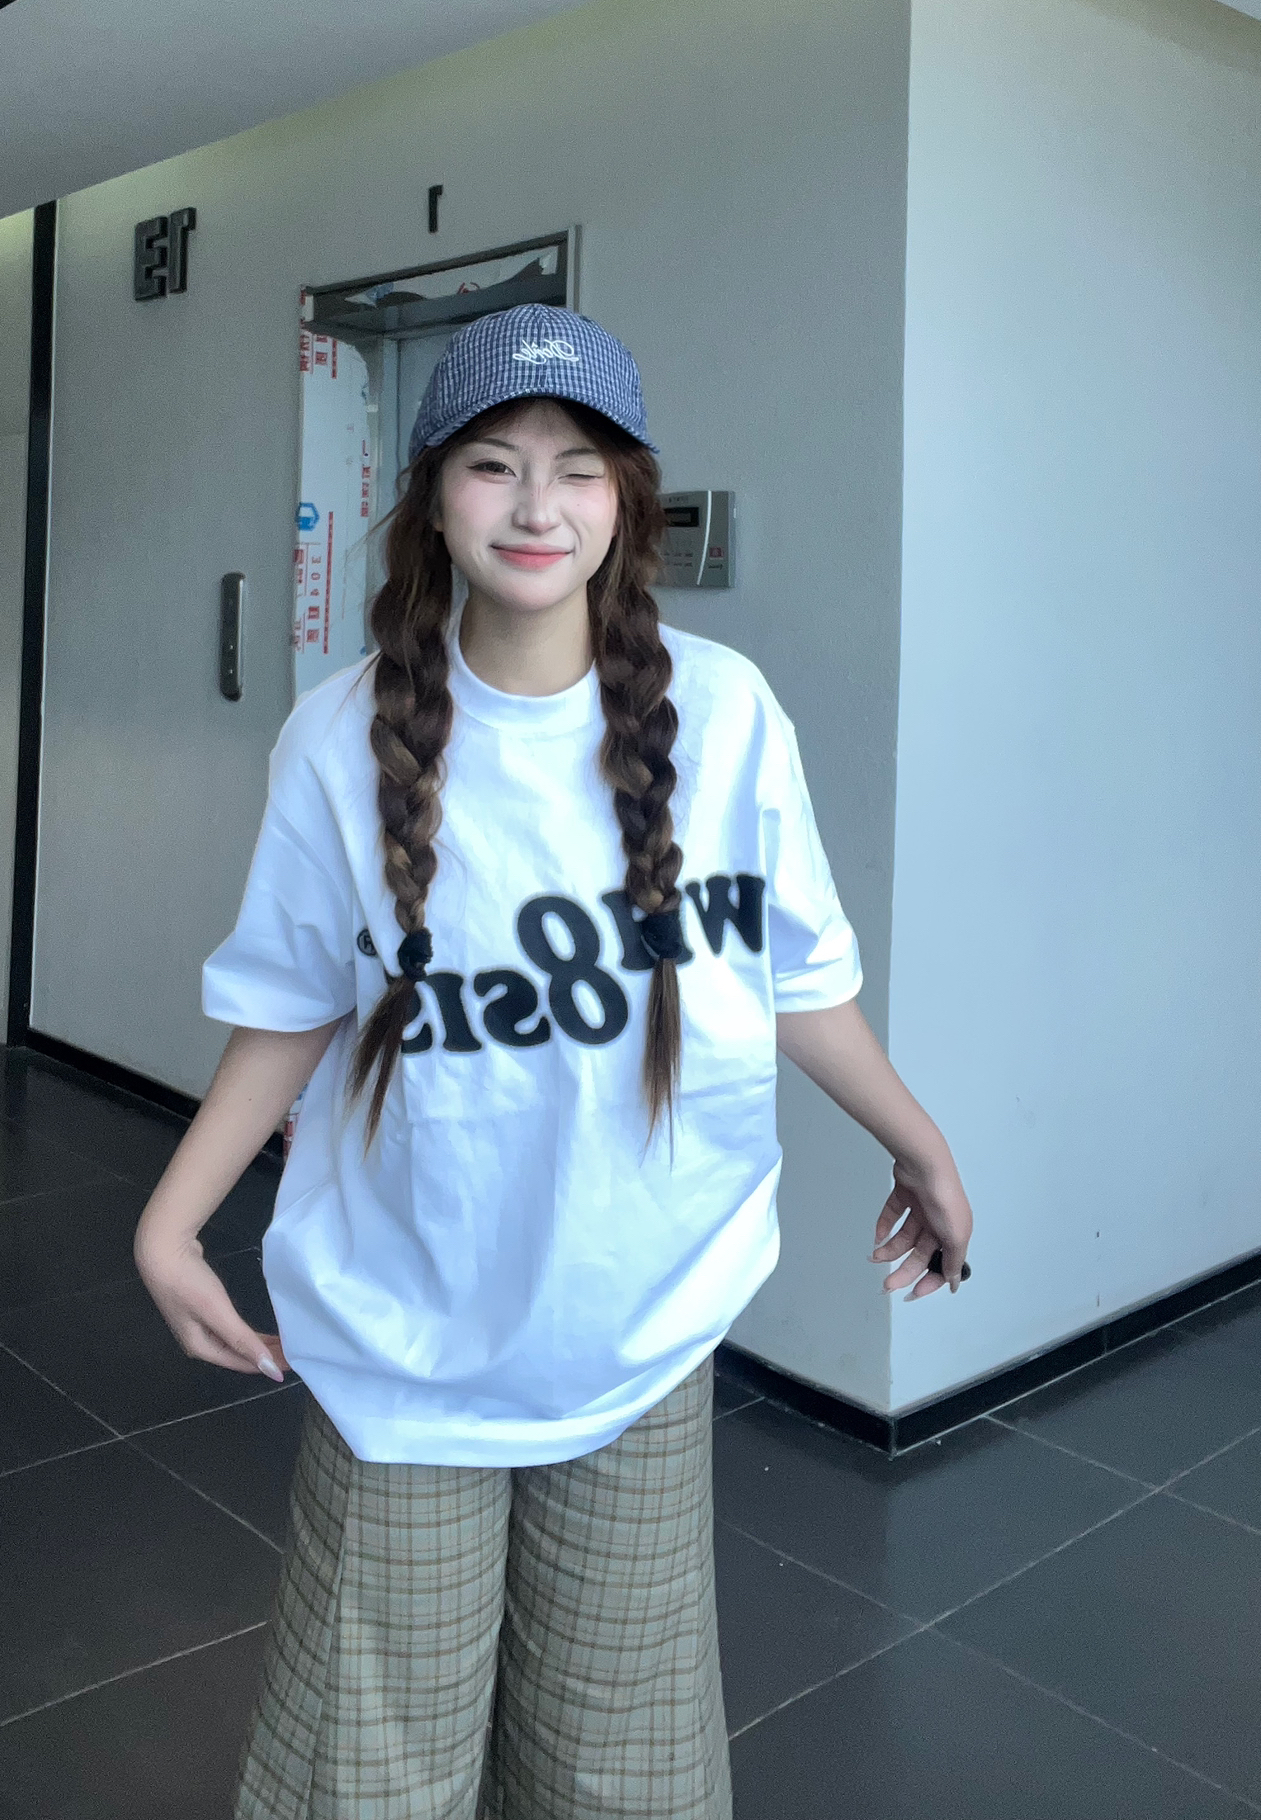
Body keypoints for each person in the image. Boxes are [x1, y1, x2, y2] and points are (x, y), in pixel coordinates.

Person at [135, 304, 972, 1820]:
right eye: (493, 465)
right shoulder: (337, 740)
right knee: (372, 1771)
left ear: (626, 499)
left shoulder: (726, 716)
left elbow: (792, 978)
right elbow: (294, 1001)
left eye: (577, 467)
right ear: (432, 497)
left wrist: (917, 1142)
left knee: (618, 1773)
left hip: (636, 1328)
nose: (536, 506)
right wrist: (172, 1218)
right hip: (407, 1338)